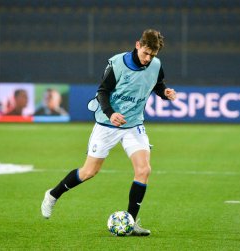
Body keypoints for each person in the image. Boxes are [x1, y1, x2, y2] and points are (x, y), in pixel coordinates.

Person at [41, 29, 177, 236]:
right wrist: (111, 113)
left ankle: (131, 223)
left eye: (153, 55)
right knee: (89, 172)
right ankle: (52, 194)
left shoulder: (156, 65)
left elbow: (157, 85)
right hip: (107, 124)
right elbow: (102, 92)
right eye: (146, 53)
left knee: (144, 170)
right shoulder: (118, 64)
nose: (148, 59)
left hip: (133, 124)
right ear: (138, 45)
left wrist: (165, 93)